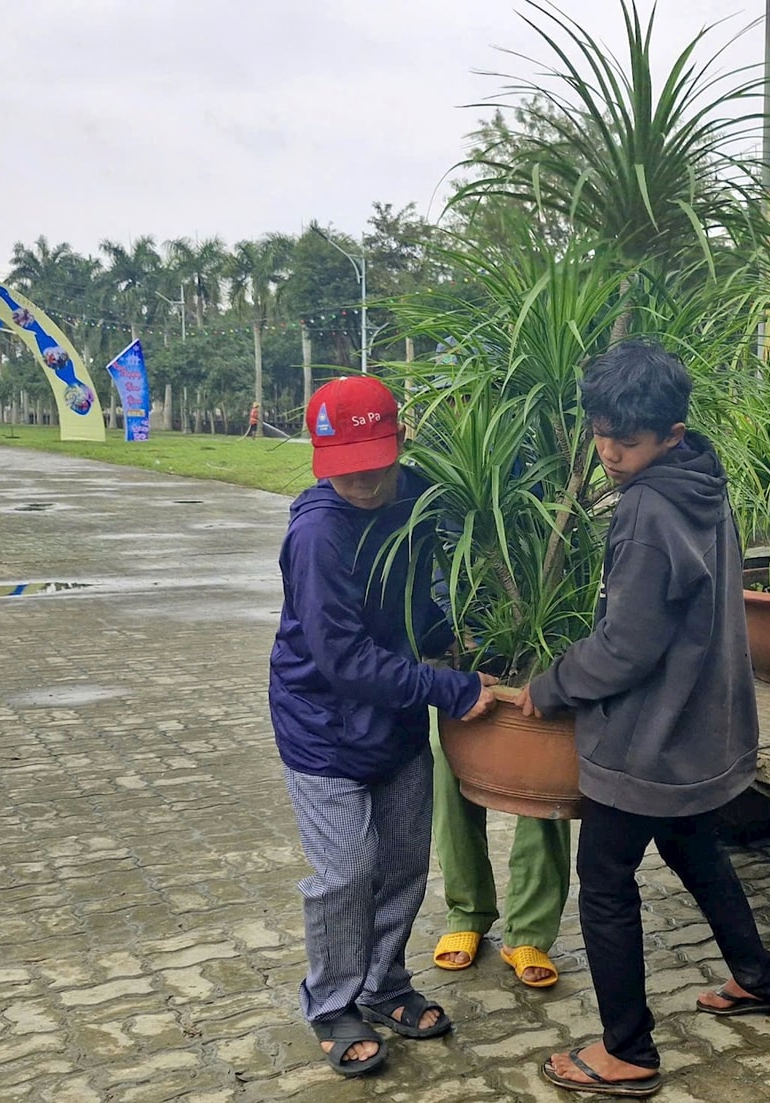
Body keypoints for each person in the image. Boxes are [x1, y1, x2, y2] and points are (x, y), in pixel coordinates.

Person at [522, 341, 770, 1098]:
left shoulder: (648, 510)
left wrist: (549, 686)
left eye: (628, 440)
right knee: (694, 847)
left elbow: (624, 647)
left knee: (605, 878)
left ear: (670, 434)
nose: (610, 452)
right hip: (697, 729)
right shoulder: (702, 481)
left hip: (649, 738)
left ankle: (628, 1053)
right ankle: (759, 978)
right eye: (602, 432)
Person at [269, 374, 498, 1079]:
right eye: (349, 466)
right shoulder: (317, 535)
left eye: (378, 460)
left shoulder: (422, 498)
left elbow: (430, 595)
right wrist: (452, 688)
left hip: (395, 721)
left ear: (399, 445)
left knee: (401, 862)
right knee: (345, 872)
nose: (366, 479)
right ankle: (333, 1003)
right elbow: (343, 660)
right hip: (324, 725)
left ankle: (384, 982)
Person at [429, 732, 572, 988]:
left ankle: (530, 930)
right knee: (446, 758)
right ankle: (468, 912)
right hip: (455, 693)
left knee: (545, 771)